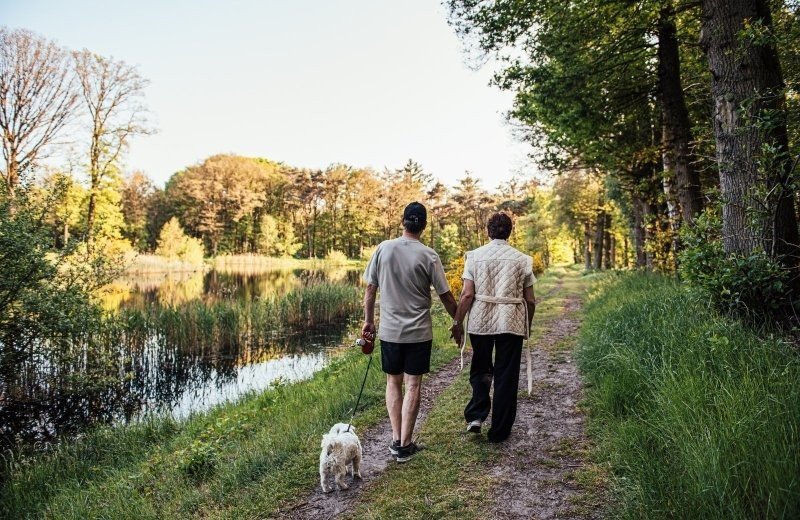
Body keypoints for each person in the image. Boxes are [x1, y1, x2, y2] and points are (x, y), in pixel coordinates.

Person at [362, 201, 458, 462]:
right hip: (418, 332)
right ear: (424, 226)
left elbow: (370, 289)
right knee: (413, 384)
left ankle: (396, 439)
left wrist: (369, 321)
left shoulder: (383, 248)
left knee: (393, 382)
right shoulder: (429, 255)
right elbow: (446, 296)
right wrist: (458, 321)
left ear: (402, 222)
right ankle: (405, 445)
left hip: (390, 331)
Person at [450, 212, 536, 443]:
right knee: (507, 375)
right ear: (509, 232)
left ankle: (476, 416)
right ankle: (500, 431)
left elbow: (467, 294)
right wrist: (527, 325)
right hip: (511, 321)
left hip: (481, 321)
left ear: (488, 231)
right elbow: (530, 300)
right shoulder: (522, 260)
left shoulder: (474, 257)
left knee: (481, 368)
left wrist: (457, 322)